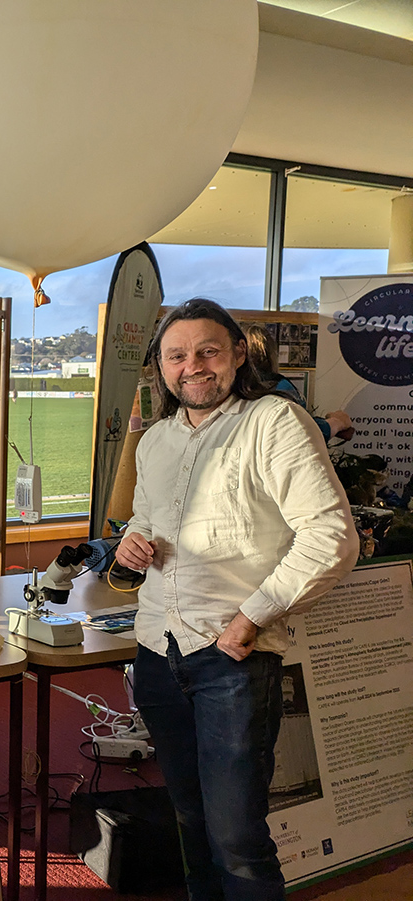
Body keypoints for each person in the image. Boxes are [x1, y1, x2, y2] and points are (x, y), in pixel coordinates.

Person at [115, 299, 358, 901]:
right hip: (156, 654)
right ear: (162, 368)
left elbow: (332, 537)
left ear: (237, 355)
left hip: (230, 661)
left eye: (207, 351)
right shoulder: (157, 442)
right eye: (177, 355)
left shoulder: (273, 421)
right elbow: (144, 519)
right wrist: (131, 545)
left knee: (237, 840)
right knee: (189, 823)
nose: (192, 366)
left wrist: (252, 616)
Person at [243, 324, 353, 442]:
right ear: (271, 353)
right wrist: (337, 422)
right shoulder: (279, 386)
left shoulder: (234, 387)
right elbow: (303, 431)